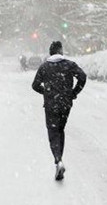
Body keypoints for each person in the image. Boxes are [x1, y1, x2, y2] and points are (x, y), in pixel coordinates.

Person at [32, 41, 87, 181]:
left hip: (51, 104)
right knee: (60, 130)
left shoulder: (45, 67)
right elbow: (83, 76)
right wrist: (74, 92)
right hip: (65, 104)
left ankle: (58, 159)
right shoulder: (69, 65)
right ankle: (59, 160)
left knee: (53, 132)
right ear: (61, 52)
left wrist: (46, 92)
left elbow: (35, 85)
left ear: (50, 52)